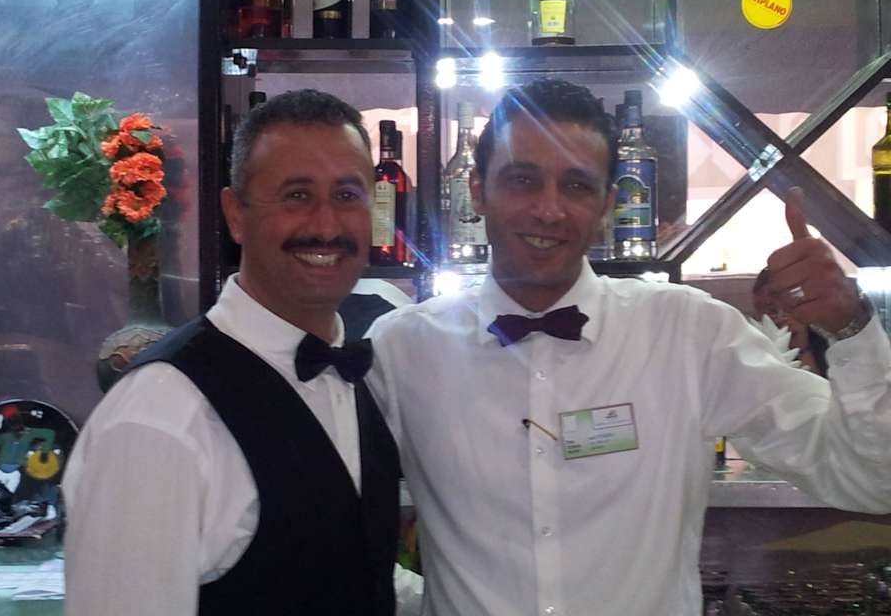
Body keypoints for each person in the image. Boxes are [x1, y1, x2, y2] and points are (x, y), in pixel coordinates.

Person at [368, 77, 891, 616]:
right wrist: (426, 603)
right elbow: (326, 515)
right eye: (523, 180)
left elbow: (872, 481)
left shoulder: (688, 332)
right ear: (478, 190)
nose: (549, 210)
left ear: (607, 205)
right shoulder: (402, 349)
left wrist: (850, 329)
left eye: (576, 185)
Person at [63, 89, 408, 616]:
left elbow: (348, 570)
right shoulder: (157, 419)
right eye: (296, 195)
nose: (326, 225)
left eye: (346, 195)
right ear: (235, 214)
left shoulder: (356, 372)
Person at [752, 265, 829, 376]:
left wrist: (801, 346)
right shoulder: (743, 332)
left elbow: (821, 384)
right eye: (759, 293)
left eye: (774, 293)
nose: (766, 301)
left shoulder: (818, 337)